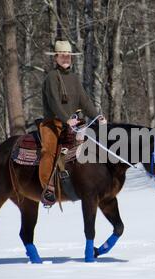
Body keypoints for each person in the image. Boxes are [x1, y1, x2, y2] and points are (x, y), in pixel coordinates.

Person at [39, 40, 106, 204]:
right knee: (49, 151)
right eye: (62, 55)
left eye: (68, 55)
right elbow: (54, 102)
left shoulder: (75, 78)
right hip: (53, 123)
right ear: (55, 57)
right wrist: (66, 119)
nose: (66, 58)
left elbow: (84, 101)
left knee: (92, 147)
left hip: (74, 123)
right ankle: (48, 188)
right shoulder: (51, 78)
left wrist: (97, 116)